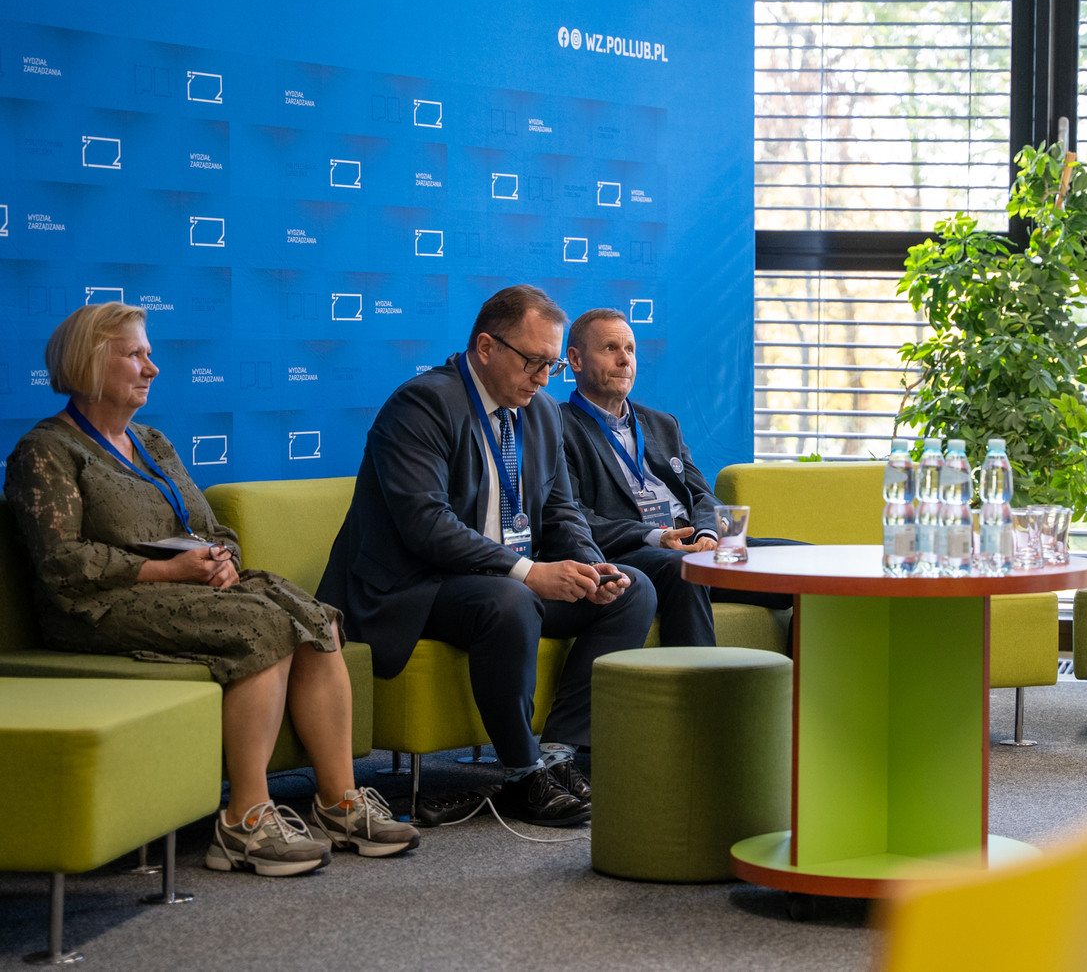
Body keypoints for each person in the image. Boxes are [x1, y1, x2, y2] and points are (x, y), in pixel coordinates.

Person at [4, 303, 418, 876]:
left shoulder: (152, 442)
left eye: (149, 354)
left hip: (187, 588)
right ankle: (243, 823)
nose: (152, 368)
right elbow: (63, 563)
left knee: (315, 616)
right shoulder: (46, 450)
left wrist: (222, 562)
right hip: (94, 607)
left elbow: (210, 528)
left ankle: (340, 804)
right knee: (260, 626)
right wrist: (173, 571)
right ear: (88, 363)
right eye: (135, 355)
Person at [317, 286, 655, 828]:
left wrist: (592, 565)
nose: (543, 379)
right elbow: (426, 525)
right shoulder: (422, 404)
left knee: (632, 590)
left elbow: (561, 511)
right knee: (511, 600)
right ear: (486, 347)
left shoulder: (542, 414)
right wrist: (528, 572)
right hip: (416, 586)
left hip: (501, 580)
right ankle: (521, 772)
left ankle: (557, 755)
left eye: (551, 366)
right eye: (533, 362)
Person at [558, 308, 795, 647]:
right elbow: (573, 514)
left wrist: (709, 533)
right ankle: (699, 682)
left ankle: (807, 679)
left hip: (697, 544)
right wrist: (655, 536)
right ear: (575, 359)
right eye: (610, 348)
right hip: (634, 552)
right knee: (684, 568)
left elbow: (701, 494)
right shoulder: (557, 426)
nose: (625, 360)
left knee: (808, 563)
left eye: (630, 349)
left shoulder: (662, 424)